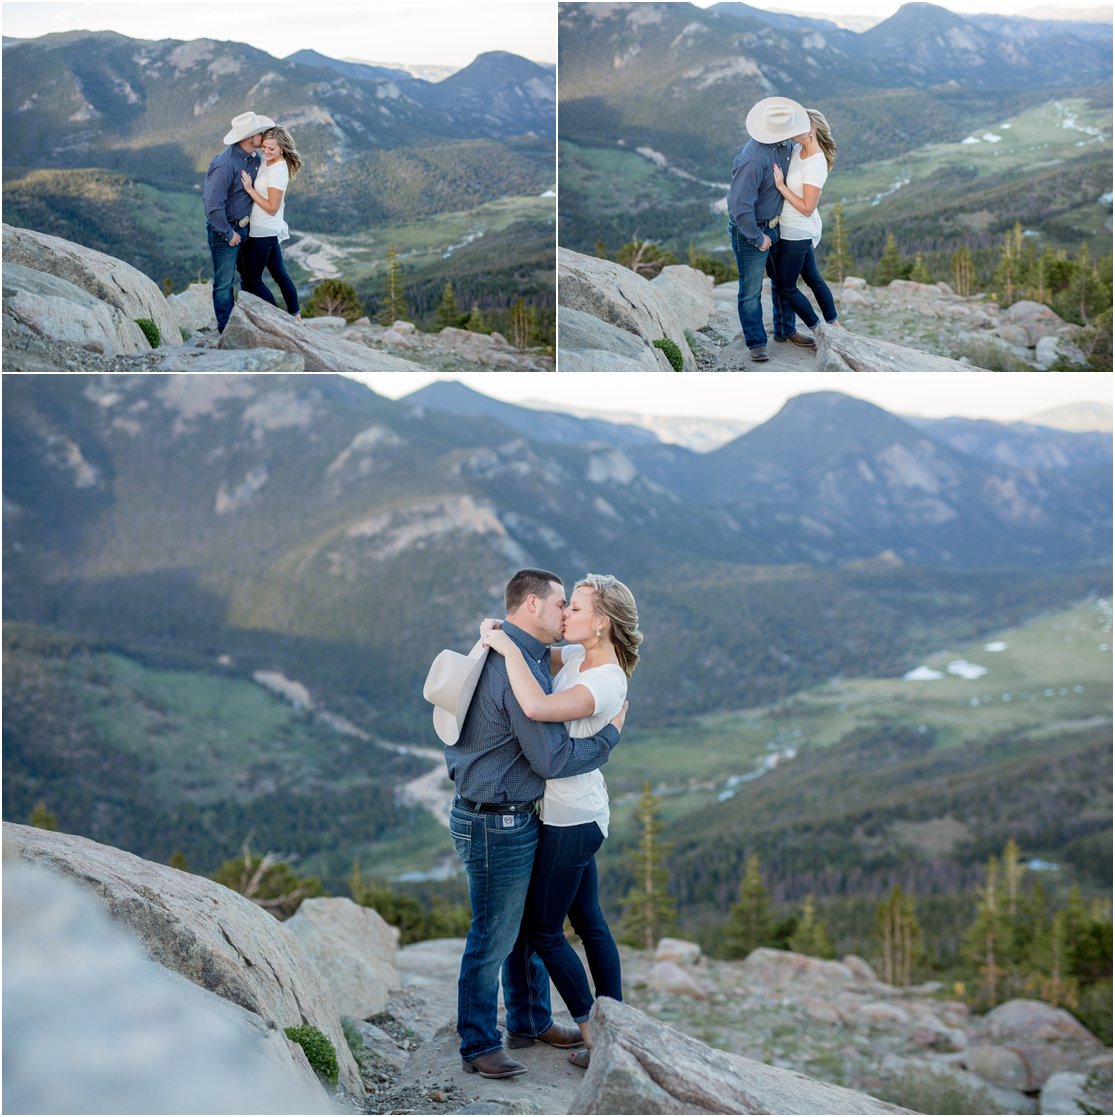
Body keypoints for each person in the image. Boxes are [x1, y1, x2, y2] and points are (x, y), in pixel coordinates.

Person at [444, 568, 628, 1080]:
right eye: (560, 604)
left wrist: (494, 635)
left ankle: (529, 1021)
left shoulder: (520, 654)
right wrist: (608, 740)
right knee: (498, 933)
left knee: (528, 928)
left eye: (574, 606)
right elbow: (550, 757)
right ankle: (479, 1043)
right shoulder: (512, 664)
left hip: (522, 814)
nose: (565, 612)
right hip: (498, 819)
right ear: (531, 606)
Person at [726, 96, 816, 363]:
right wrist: (757, 237)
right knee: (751, 289)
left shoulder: (785, 145)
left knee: (783, 282)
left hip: (779, 225)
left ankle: (785, 330)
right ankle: (756, 342)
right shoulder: (752, 159)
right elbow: (739, 207)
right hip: (753, 230)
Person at [770, 109, 841, 346]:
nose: (792, 129)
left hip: (797, 229)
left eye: (799, 124)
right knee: (813, 278)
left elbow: (807, 207)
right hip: (791, 225)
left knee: (786, 287)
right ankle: (835, 325)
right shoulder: (798, 149)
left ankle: (820, 330)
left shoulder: (816, 164)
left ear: (812, 129)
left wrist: (781, 186)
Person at [203, 111, 274, 332]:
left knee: (249, 278)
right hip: (227, 231)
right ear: (247, 137)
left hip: (247, 229)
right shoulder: (225, 164)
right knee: (224, 283)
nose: (263, 136)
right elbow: (212, 205)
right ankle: (227, 331)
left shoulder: (254, 158)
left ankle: (249, 325)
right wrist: (227, 233)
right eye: (259, 133)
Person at [238, 126, 303, 318]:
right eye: (264, 147)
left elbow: (272, 207)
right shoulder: (270, 161)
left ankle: (276, 320)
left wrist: (250, 189)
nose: (266, 152)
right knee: (279, 274)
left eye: (271, 149)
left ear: (282, 148)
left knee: (252, 279)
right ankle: (296, 317)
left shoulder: (278, 171)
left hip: (263, 230)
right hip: (266, 228)